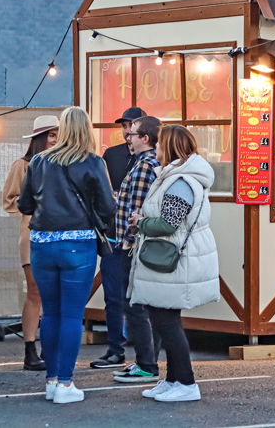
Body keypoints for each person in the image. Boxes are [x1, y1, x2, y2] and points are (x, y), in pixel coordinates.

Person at [18, 107, 115, 404]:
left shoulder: (38, 161)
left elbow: (24, 205)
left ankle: (51, 381)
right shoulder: (93, 162)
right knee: (72, 314)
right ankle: (65, 383)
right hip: (79, 244)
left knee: (50, 312)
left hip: (41, 244)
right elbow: (108, 208)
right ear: (86, 130)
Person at [128, 125, 219, 403]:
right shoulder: (177, 176)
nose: (155, 148)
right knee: (165, 320)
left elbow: (169, 223)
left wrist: (140, 222)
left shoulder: (180, 181)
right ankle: (173, 380)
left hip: (172, 261)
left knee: (166, 323)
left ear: (168, 147)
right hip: (173, 260)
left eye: (159, 144)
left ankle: (187, 383)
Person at [2, 115, 59, 372]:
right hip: (32, 233)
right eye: (51, 135)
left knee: (54, 295)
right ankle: (30, 351)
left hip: (58, 234)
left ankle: (49, 348)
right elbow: (9, 200)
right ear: (39, 138)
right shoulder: (23, 165)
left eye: (57, 135)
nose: (55, 140)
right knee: (35, 292)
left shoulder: (63, 164)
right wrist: (37, 201)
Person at [92, 106, 145, 370]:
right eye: (124, 126)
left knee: (143, 297)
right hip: (113, 236)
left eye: (131, 126)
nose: (126, 131)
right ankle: (116, 350)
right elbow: (100, 190)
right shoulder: (111, 155)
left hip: (143, 239)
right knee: (113, 296)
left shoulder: (151, 159)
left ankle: (146, 356)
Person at [111, 115, 162, 384]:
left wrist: (129, 235)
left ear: (145, 138)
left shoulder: (144, 166)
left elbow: (138, 210)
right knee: (142, 305)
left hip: (133, 246)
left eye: (132, 134)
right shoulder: (150, 163)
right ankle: (146, 361)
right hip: (138, 244)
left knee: (135, 305)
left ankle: (146, 364)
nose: (128, 137)